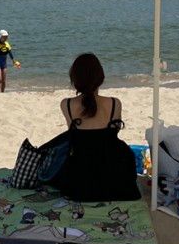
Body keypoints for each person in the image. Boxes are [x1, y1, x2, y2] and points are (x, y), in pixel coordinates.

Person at [48, 53, 141, 201]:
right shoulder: (114, 103)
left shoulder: (66, 104)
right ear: (100, 77)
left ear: (75, 79)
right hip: (113, 172)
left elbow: (75, 137)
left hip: (82, 175)